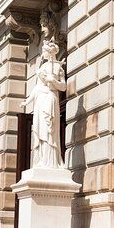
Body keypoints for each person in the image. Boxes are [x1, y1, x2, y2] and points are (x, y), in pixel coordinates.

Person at [21, 40, 66, 169]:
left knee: (49, 129)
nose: (43, 54)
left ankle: (51, 161)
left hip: (50, 99)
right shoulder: (42, 68)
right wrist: (27, 101)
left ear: (51, 53)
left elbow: (63, 87)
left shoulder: (58, 68)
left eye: (45, 51)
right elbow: (37, 87)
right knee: (39, 130)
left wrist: (53, 81)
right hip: (40, 101)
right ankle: (41, 159)